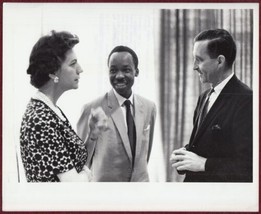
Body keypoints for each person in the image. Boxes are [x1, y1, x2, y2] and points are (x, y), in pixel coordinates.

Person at [20, 30, 107, 182]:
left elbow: (75, 165)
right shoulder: (41, 120)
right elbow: (74, 187)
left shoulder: (50, 109)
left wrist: (93, 134)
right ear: (53, 73)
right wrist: (87, 174)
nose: (80, 69)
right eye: (73, 64)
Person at [170, 29, 253, 182]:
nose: (194, 66)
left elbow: (248, 166)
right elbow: (208, 144)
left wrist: (205, 164)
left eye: (199, 60)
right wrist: (185, 155)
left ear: (220, 61)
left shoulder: (247, 100)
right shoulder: (204, 97)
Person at [77, 45, 157, 182]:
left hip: (141, 191)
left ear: (136, 72)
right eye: (113, 70)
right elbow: (80, 162)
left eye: (126, 70)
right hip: (107, 195)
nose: (119, 76)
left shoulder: (150, 107)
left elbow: (145, 155)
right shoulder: (91, 108)